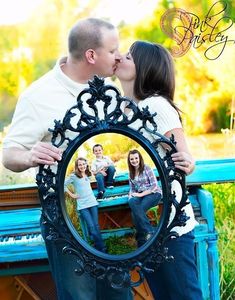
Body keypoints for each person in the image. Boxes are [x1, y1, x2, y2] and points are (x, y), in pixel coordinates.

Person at [2, 18, 132, 300]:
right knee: (79, 296)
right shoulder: (38, 96)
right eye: (113, 50)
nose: (120, 55)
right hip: (65, 216)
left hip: (110, 209)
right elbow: (9, 155)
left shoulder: (111, 87)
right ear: (91, 55)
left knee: (119, 294)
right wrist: (29, 156)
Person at [115, 41, 203, 300]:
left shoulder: (155, 105)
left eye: (129, 56)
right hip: (153, 223)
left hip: (171, 222)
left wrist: (187, 161)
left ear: (144, 67)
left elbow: (184, 155)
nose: (121, 57)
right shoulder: (127, 108)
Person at [64, 157, 106, 252]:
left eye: (83, 164)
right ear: (77, 166)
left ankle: (98, 246)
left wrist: (102, 171)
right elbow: (62, 185)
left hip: (92, 203)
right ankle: (102, 248)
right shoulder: (73, 176)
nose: (82, 166)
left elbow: (97, 175)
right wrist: (72, 195)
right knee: (91, 227)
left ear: (86, 164)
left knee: (96, 225)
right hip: (83, 206)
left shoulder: (88, 174)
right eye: (80, 164)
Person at [127, 149, 162, 246]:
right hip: (141, 195)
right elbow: (132, 189)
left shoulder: (147, 168)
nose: (134, 160)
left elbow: (154, 185)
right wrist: (131, 196)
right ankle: (149, 232)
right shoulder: (131, 173)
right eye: (132, 159)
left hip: (153, 193)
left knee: (136, 213)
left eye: (136, 158)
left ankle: (141, 240)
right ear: (129, 161)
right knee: (132, 202)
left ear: (140, 158)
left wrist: (140, 195)